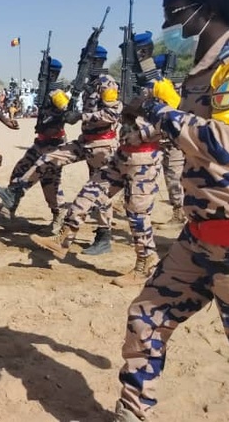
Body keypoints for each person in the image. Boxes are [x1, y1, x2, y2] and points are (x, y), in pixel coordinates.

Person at [112, 0, 229, 421]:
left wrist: (158, 112)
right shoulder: (203, 71)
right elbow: (188, 130)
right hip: (200, 236)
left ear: (204, 10)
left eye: (174, 12)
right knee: (147, 318)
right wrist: (140, 123)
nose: (170, 25)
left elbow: (225, 144)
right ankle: (132, 412)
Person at [31, 37, 167, 287]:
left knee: (137, 214)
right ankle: (63, 240)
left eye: (131, 54)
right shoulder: (134, 85)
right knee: (89, 193)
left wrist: (137, 121)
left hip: (143, 158)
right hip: (122, 154)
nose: (127, 60)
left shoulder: (160, 86)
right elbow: (121, 114)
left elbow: (168, 122)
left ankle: (145, 263)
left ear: (144, 53)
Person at [0, 45, 121, 255]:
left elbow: (112, 114)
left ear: (97, 61)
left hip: (102, 145)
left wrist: (81, 116)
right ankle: (15, 193)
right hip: (85, 142)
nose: (82, 65)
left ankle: (103, 236)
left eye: (86, 61)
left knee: (99, 193)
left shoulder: (107, 83)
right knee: (48, 160)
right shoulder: (89, 85)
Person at [0, 58, 69, 232]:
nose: (40, 74)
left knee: (50, 182)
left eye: (44, 71)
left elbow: (67, 112)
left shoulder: (57, 94)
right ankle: (10, 205)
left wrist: (54, 118)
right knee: (19, 170)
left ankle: (59, 216)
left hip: (54, 144)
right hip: (41, 142)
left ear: (52, 74)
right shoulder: (46, 92)